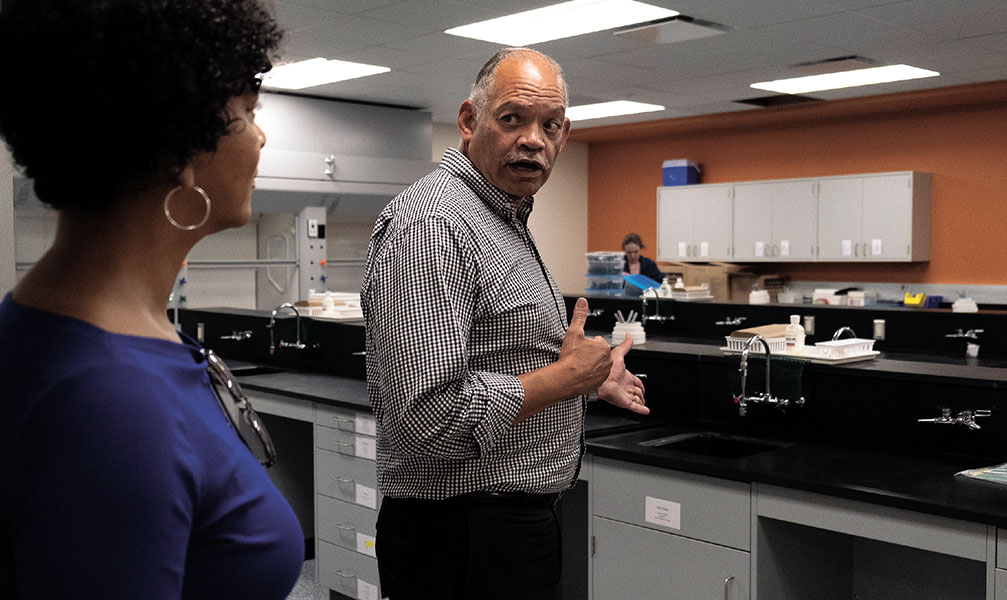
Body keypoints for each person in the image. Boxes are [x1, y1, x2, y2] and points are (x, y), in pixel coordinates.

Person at [0, 1, 304, 598]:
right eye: (246, 111)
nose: (261, 135)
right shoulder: (107, 404)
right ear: (178, 148)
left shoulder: (49, 328)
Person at [361, 48, 649, 600]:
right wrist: (563, 379)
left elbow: (499, 359)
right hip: (461, 531)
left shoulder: (500, 219)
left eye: (551, 124)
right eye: (512, 118)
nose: (534, 140)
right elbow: (428, 415)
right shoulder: (435, 224)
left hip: (497, 527)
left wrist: (584, 377)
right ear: (470, 121)